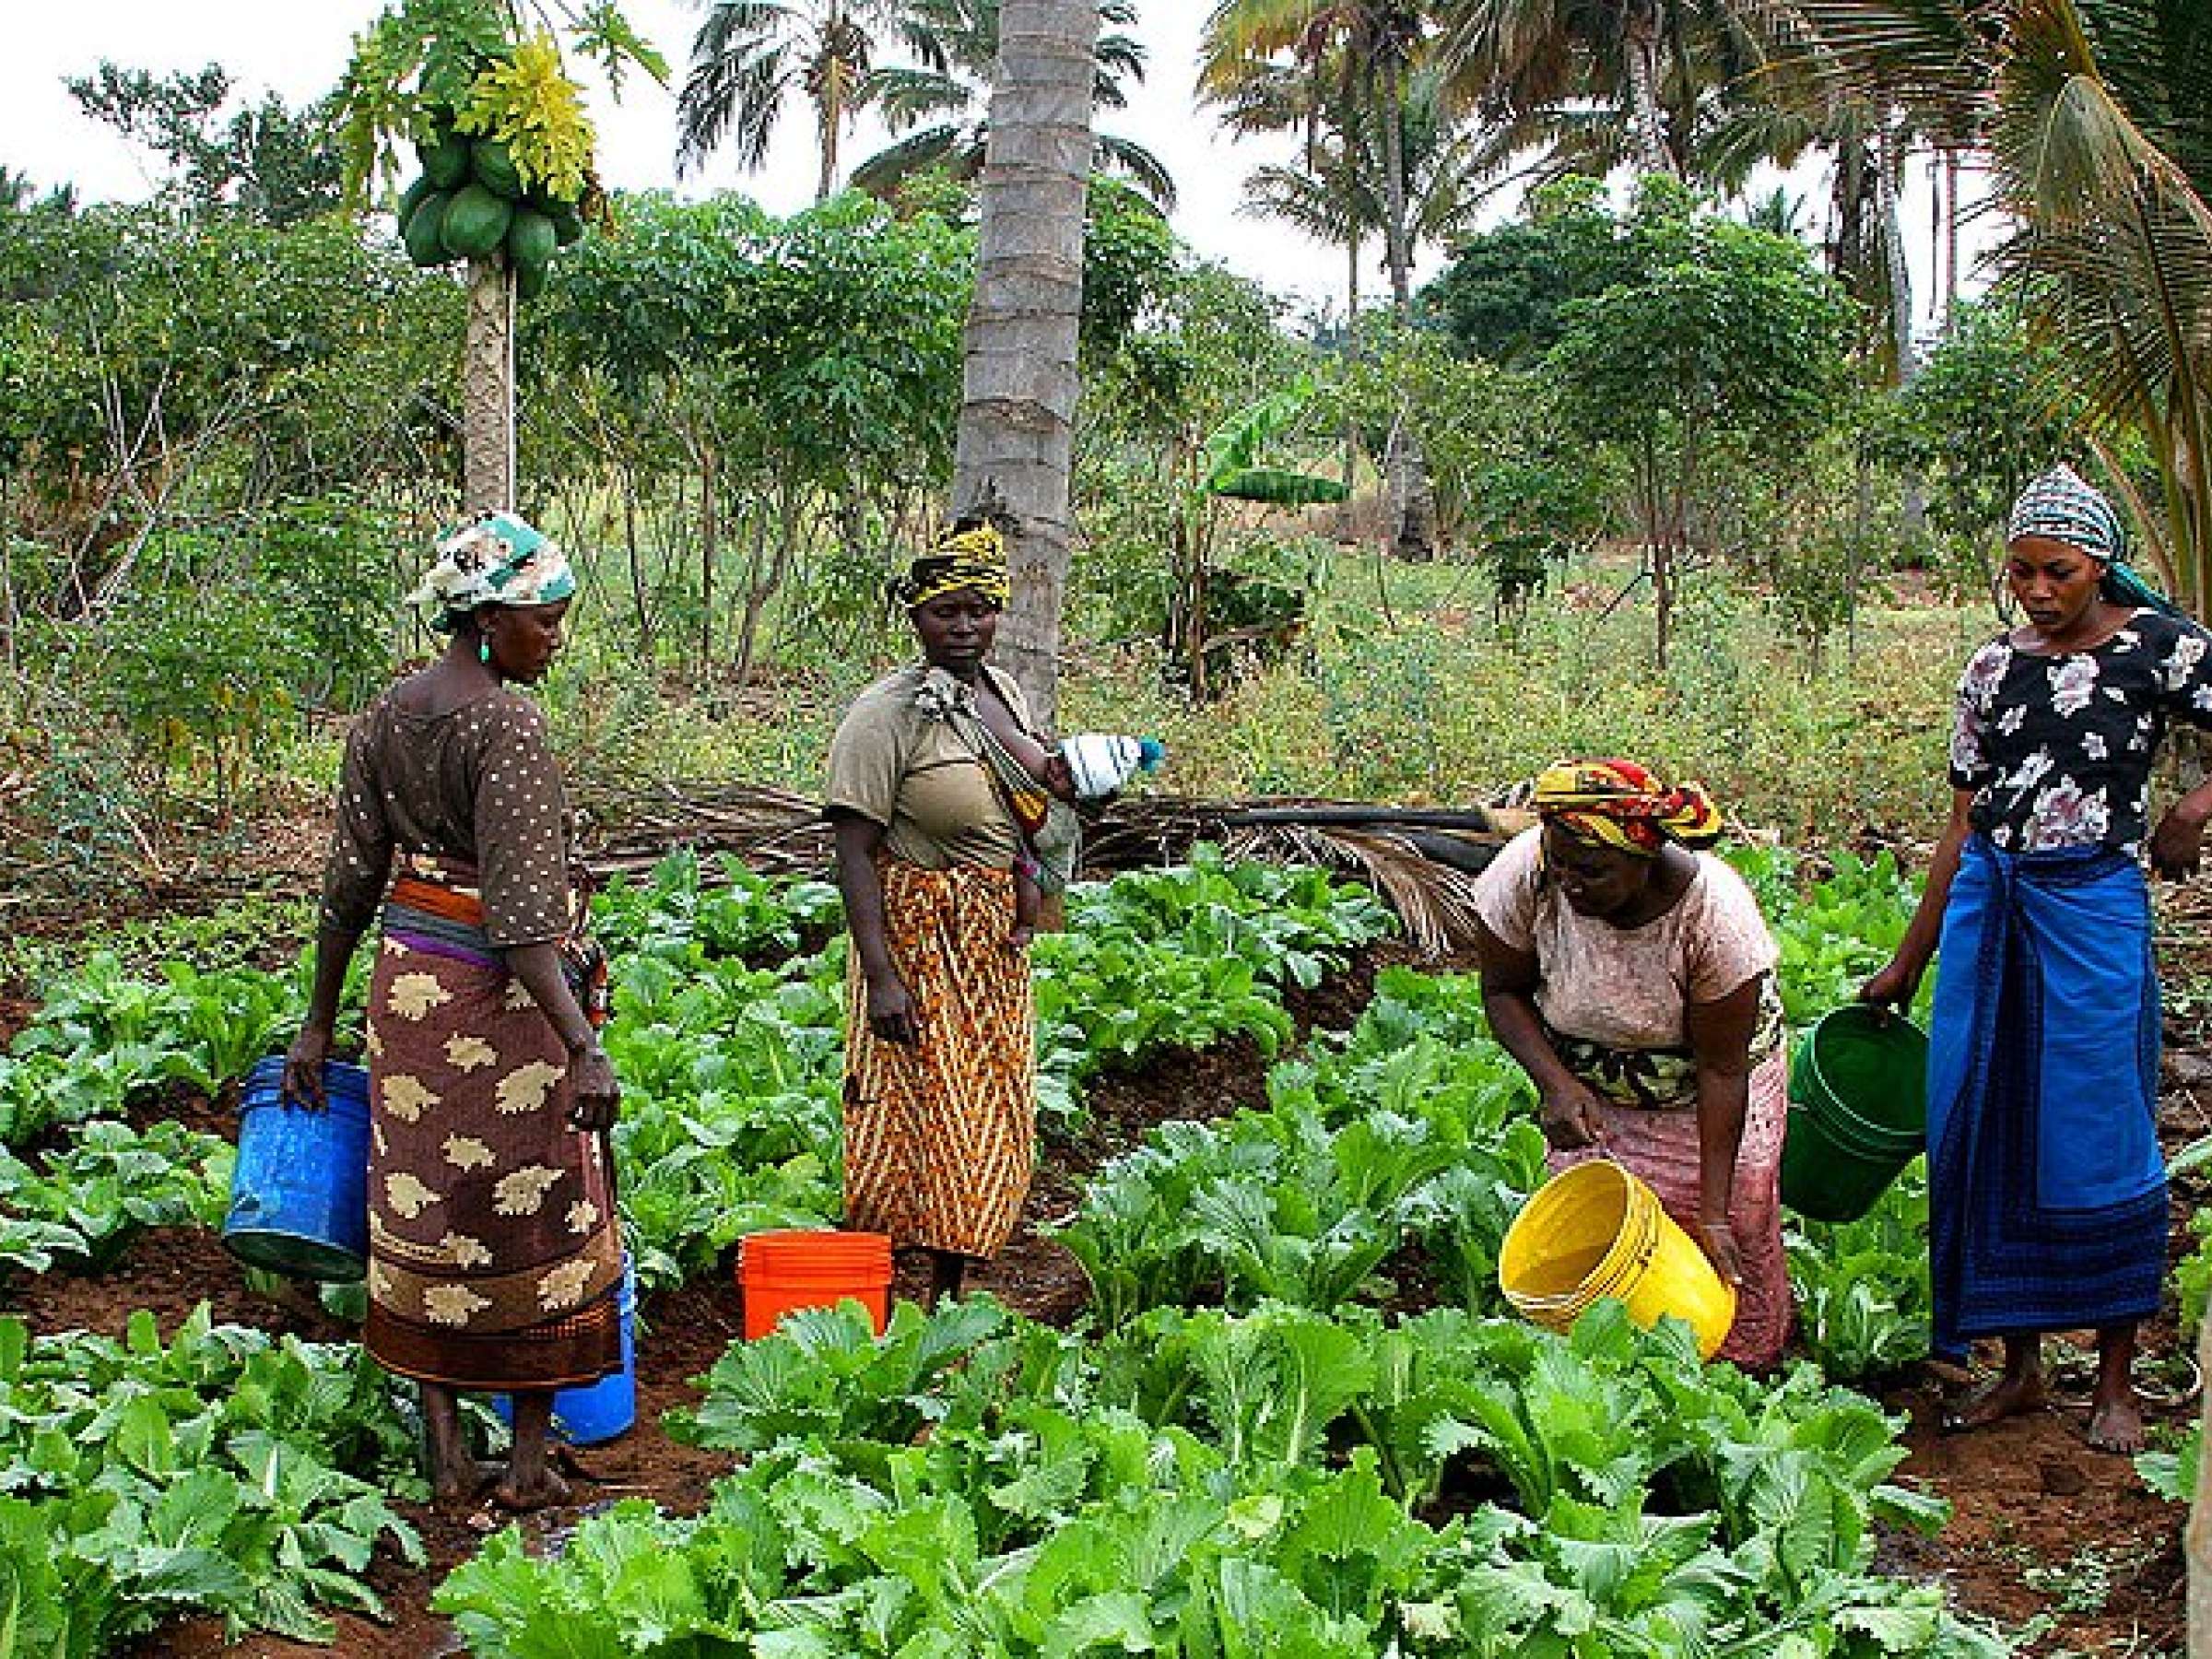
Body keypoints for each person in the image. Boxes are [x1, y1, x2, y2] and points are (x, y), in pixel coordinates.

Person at [1862, 463, 2210, 1453]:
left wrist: (2192, 809)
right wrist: (1909, 959)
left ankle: (2114, 1377)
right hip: (1992, 904)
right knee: (1981, 1118)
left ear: (2099, 566)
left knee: (2097, 1125)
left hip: (2093, 905)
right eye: (2021, 574)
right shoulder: (1991, 669)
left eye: (2056, 572)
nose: (2039, 592)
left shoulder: (2159, 647)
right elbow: (1964, 821)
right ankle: (2018, 1366)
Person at [283, 512, 622, 1512]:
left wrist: (317, 1022)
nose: (554, 640)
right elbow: (522, 922)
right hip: (500, 1005)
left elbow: (349, 885)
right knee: (533, 1215)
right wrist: (583, 1046)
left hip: (410, 997)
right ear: (488, 622)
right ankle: (521, 1467)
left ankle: (443, 1451)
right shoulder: (506, 724)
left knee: (425, 1206)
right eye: (546, 623)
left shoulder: (388, 714)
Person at [1473, 759, 1793, 1367]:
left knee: (1731, 1233)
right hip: (1593, 1085)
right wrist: (1556, 1085)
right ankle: (1609, 1368)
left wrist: (1714, 1211)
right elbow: (1502, 992)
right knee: (1598, 1228)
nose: (1568, 882)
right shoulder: (1524, 876)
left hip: (1711, 1089)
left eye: (1591, 870)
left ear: (1643, 859)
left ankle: (1747, 1371)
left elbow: (1722, 1072)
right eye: (1557, 861)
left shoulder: (1714, 919)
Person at [825, 524, 1048, 1307]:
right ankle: (881, 1297)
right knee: (910, 1115)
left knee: (985, 1107)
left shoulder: (1003, 694)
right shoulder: (885, 715)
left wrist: (1028, 882)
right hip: (919, 937)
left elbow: (1025, 804)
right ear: (916, 618)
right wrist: (880, 976)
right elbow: (854, 853)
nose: (964, 627)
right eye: (945, 612)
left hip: (989, 942)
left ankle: (948, 1295)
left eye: (979, 611)